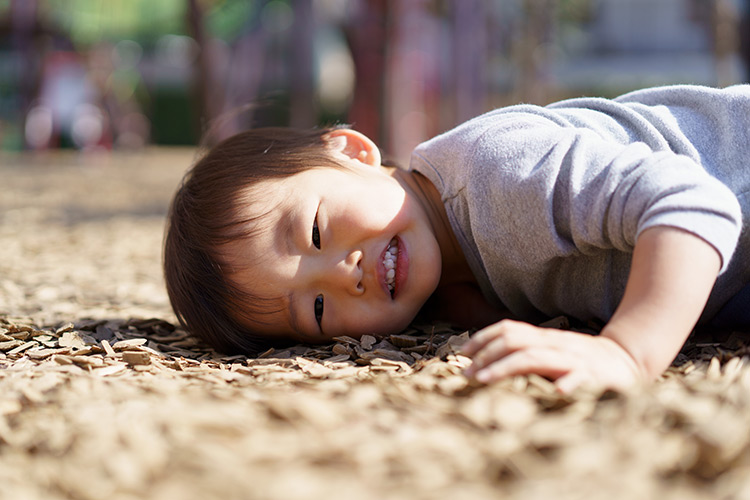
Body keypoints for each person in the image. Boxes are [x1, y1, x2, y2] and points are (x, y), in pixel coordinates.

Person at [164, 84, 750, 393]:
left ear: (353, 151)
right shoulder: (443, 265)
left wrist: (628, 351)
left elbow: (696, 203)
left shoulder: (500, 173)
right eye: (317, 307)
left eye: (316, 231)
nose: (346, 274)